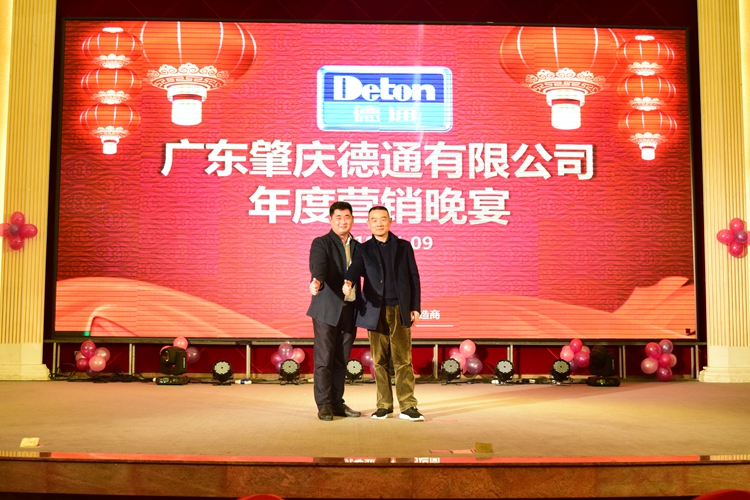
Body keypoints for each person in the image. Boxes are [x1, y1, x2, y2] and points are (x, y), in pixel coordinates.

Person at [343, 206, 424, 422]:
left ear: (390, 221)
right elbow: (355, 268)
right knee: (379, 360)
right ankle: (384, 405)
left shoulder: (404, 246)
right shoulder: (363, 249)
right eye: (374, 220)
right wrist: (348, 281)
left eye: (382, 219)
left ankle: (408, 405)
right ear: (368, 224)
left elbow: (414, 277)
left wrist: (415, 306)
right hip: (374, 310)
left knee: (403, 360)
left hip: (400, 309)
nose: (379, 223)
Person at [307, 201, 362, 421]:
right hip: (327, 309)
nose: (342, 221)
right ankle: (324, 405)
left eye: (347, 217)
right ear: (330, 220)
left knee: (341, 359)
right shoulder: (322, 243)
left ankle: (337, 403)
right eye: (338, 217)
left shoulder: (358, 246)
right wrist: (317, 281)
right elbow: (319, 266)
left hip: (350, 309)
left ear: (353, 220)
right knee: (324, 359)